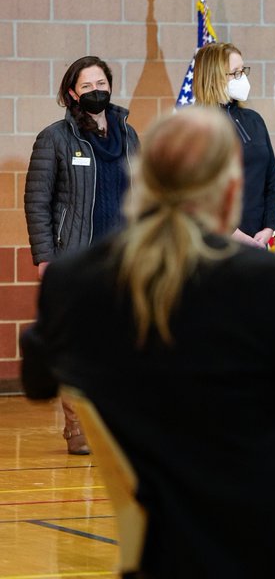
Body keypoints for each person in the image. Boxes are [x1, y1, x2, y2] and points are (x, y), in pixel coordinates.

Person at [21, 107, 275, 578]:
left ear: (143, 182)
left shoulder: (74, 279)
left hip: (164, 535)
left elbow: (36, 380)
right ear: (231, 190)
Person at [24, 55, 140, 456]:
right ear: (72, 92)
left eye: (101, 83)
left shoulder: (128, 134)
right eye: (87, 86)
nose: (96, 91)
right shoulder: (55, 137)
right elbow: (37, 203)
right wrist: (45, 257)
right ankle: (77, 427)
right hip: (74, 258)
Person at [192, 42, 275, 249]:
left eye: (243, 71)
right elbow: (198, 192)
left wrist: (269, 227)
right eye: (235, 73)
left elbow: (271, 178)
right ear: (214, 76)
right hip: (215, 242)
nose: (243, 78)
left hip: (259, 239)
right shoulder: (197, 124)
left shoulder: (254, 120)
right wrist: (234, 234)